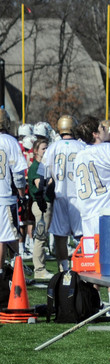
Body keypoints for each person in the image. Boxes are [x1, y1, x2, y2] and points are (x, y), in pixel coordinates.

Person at [44, 115, 85, 272]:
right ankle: (81, 266)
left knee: (60, 236)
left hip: (60, 193)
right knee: (82, 235)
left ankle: (64, 269)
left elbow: (45, 172)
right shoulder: (81, 147)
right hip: (78, 195)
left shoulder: (53, 147)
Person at [0, 109, 28, 265]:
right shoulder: (10, 141)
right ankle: (9, 273)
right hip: (5, 196)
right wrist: (22, 195)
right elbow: (18, 174)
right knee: (5, 237)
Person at [27, 138, 51, 278]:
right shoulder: (36, 166)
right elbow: (39, 184)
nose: (46, 151)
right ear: (36, 151)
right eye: (43, 148)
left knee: (43, 237)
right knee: (40, 238)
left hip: (45, 203)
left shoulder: (44, 165)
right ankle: (39, 270)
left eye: (47, 148)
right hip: (41, 204)